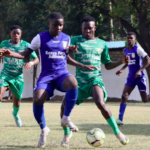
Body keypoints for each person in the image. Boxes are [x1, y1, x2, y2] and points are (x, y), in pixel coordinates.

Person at [0, 12, 96, 148]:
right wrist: (11, 53)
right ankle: (44, 129)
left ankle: (66, 118)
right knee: (37, 98)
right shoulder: (39, 38)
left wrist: (83, 65)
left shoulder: (66, 38)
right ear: (48, 24)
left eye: (61, 25)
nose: (58, 28)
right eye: (55, 25)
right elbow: (24, 55)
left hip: (62, 74)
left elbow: (66, 58)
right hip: (46, 77)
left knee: (73, 82)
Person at [60, 16, 130, 147]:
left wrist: (120, 62)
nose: (87, 31)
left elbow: (107, 64)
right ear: (81, 28)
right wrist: (69, 50)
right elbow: (65, 55)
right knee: (64, 105)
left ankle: (118, 133)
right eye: (84, 28)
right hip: (79, 83)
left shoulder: (102, 43)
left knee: (100, 102)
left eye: (90, 28)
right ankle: (66, 134)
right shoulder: (75, 40)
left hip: (95, 79)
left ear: (95, 28)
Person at [0, 25, 39, 127]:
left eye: (18, 34)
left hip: (18, 77)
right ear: (10, 34)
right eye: (14, 33)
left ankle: (15, 114)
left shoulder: (26, 45)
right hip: (5, 74)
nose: (16, 35)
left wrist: (30, 63)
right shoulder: (4, 43)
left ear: (21, 35)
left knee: (17, 102)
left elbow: (36, 59)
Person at [116, 32, 150, 126]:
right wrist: (122, 69)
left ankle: (148, 95)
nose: (129, 40)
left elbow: (148, 60)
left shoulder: (138, 49)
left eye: (131, 38)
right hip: (131, 77)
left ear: (135, 40)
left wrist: (140, 70)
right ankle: (120, 119)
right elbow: (127, 62)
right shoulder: (125, 50)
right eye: (128, 38)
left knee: (144, 100)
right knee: (124, 96)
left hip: (140, 77)